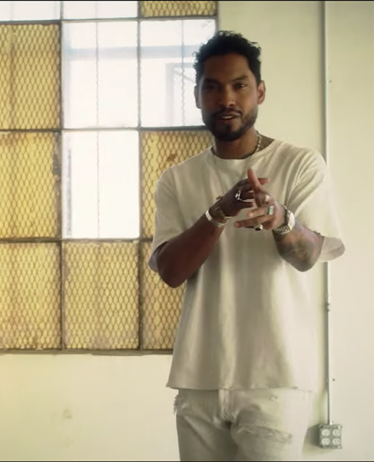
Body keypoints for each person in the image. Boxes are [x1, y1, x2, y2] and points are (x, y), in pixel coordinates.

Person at [148, 31, 345, 461]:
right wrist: (218, 212)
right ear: (197, 96)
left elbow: (308, 256)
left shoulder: (300, 164)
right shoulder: (176, 179)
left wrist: (281, 220)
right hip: (200, 377)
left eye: (239, 85)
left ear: (260, 91)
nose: (226, 98)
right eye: (212, 87)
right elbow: (171, 271)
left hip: (276, 377)